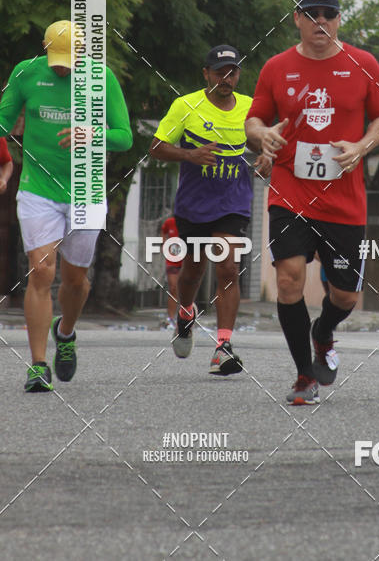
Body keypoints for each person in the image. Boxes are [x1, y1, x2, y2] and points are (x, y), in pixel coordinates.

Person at [245, 0, 379, 405]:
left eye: (328, 14)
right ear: (297, 19)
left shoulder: (363, 64)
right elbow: (255, 119)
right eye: (311, 14)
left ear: (339, 19)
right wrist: (262, 136)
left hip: (344, 199)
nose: (320, 22)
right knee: (289, 279)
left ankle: (323, 331)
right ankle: (303, 375)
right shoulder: (276, 67)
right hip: (290, 192)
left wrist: (361, 146)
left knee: (345, 294)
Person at [0, 20, 133, 392]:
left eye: (70, 60)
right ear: (44, 48)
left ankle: (67, 332)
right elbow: (2, 123)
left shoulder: (101, 77)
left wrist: (93, 133)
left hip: (86, 190)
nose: (63, 67)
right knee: (41, 271)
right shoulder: (25, 73)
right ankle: (38, 365)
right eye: (57, 59)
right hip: (38, 187)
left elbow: (124, 137)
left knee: (75, 280)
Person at [150, 45, 269, 375]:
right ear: (206, 74)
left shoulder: (249, 107)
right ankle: (185, 314)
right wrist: (189, 155)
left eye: (232, 72)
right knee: (193, 269)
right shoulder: (185, 105)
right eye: (220, 72)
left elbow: (264, 141)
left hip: (233, 202)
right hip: (194, 204)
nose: (226, 79)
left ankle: (224, 347)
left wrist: (267, 156)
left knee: (228, 266)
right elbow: (156, 147)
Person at [161, 216, 181, 328]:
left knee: (187, 288)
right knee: (173, 287)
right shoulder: (170, 222)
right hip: (172, 259)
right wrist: (164, 244)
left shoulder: (192, 221)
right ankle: (170, 318)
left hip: (188, 258)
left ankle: (186, 316)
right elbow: (163, 231)